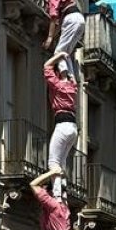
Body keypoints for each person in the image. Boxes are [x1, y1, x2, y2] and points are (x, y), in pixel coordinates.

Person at [40, 0, 84, 80]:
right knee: (66, 52)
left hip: (71, 19)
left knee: (58, 52)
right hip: (79, 19)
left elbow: (54, 18)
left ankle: (64, 78)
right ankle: (72, 78)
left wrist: (50, 38)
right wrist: (53, 35)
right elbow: (59, 25)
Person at [42, 52, 78, 184]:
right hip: (73, 128)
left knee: (53, 162)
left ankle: (57, 194)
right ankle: (63, 190)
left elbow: (46, 66)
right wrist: (67, 59)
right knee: (62, 162)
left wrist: (60, 54)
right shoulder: (73, 86)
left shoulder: (58, 85)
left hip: (62, 124)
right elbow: (72, 74)